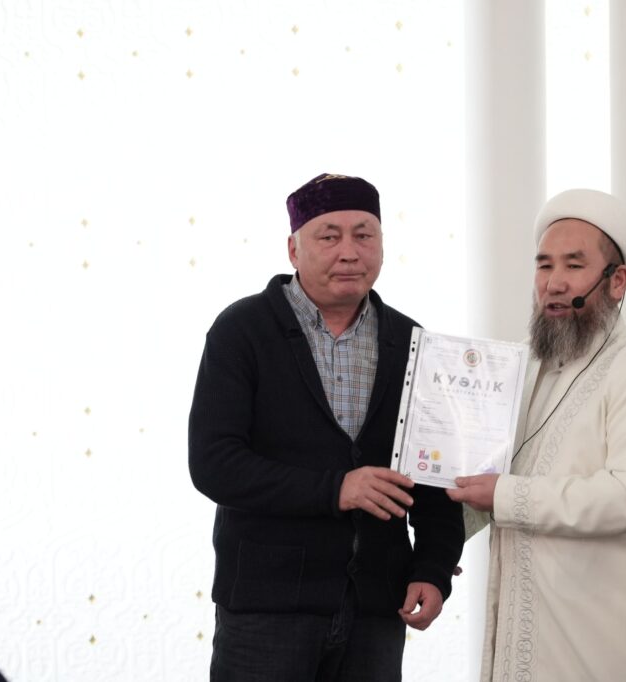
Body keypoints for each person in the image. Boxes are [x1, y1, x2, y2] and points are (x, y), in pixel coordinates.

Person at [189, 173, 465, 682]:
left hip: (376, 609)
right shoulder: (242, 331)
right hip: (266, 608)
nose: (349, 252)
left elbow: (434, 474)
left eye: (364, 235)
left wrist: (432, 568)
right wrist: (337, 489)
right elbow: (214, 464)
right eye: (329, 236)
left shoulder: (412, 341)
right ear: (293, 249)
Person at [448, 188, 626, 680]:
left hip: (609, 651)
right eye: (544, 266)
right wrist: (438, 546)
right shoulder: (517, 368)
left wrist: (505, 496)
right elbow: (485, 473)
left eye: (573, 266)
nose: (554, 283)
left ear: (617, 281)